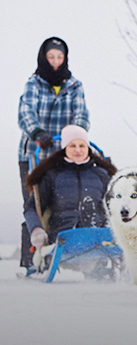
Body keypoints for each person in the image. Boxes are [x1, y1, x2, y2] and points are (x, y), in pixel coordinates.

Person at [17, 37, 89, 273]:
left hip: (63, 155)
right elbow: (25, 111)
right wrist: (37, 132)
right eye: (51, 57)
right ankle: (31, 260)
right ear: (44, 57)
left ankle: (65, 253)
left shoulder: (75, 85)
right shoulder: (34, 84)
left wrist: (73, 138)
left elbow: (82, 116)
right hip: (35, 155)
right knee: (35, 204)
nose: (56, 62)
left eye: (60, 57)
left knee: (61, 203)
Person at [24, 125, 116, 275]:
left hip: (98, 238)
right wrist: (36, 230)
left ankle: (97, 256)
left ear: (88, 148)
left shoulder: (102, 175)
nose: (78, 150)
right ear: (64, 148)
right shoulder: (53, 175)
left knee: (103, 217)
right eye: (72, 145)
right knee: (73, 230)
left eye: (82, 145)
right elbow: (31, 208)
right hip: (63, 238)